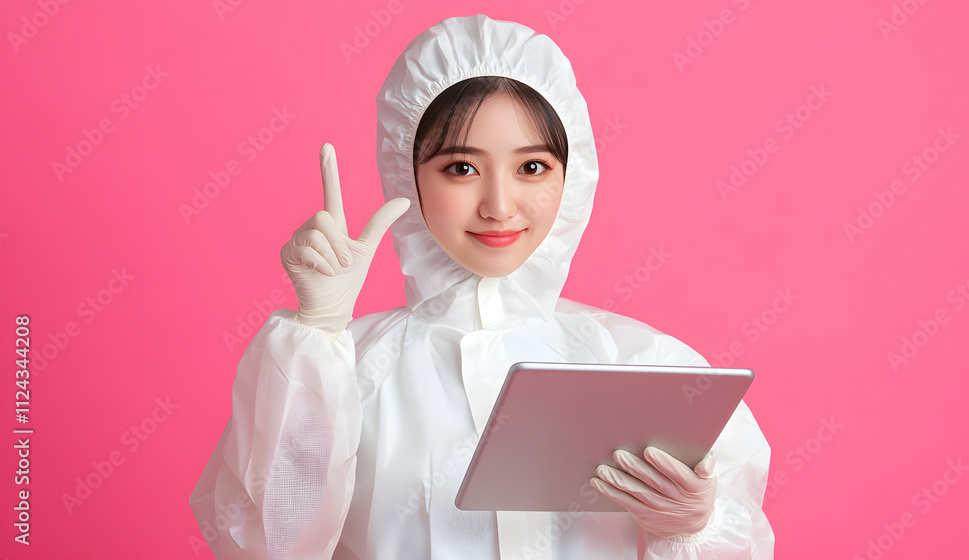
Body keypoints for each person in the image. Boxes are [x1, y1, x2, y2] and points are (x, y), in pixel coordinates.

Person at [189, 14, 775, 559]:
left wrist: (692, 528)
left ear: (573, 178)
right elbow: (266, 544)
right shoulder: (348, 372)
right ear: (406, 174)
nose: (499, 207)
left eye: (532, 167)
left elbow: (738, 535)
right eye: (461, 168)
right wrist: (315, 334)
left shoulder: (648, 367)